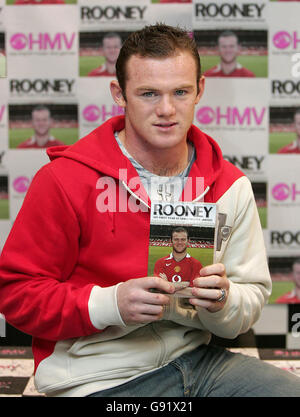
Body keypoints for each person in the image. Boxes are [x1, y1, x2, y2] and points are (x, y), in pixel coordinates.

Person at [0, 24, 300, 398]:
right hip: (98, 378)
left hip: (198, 361)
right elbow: (17, 294)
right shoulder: (64, 180)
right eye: (148, 93)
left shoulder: (229, 185)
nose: (166, 110)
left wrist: (223, 300)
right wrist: (111, 304)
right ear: (119, 94)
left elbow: (249, 299)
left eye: (180, 92)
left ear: (200, 91)